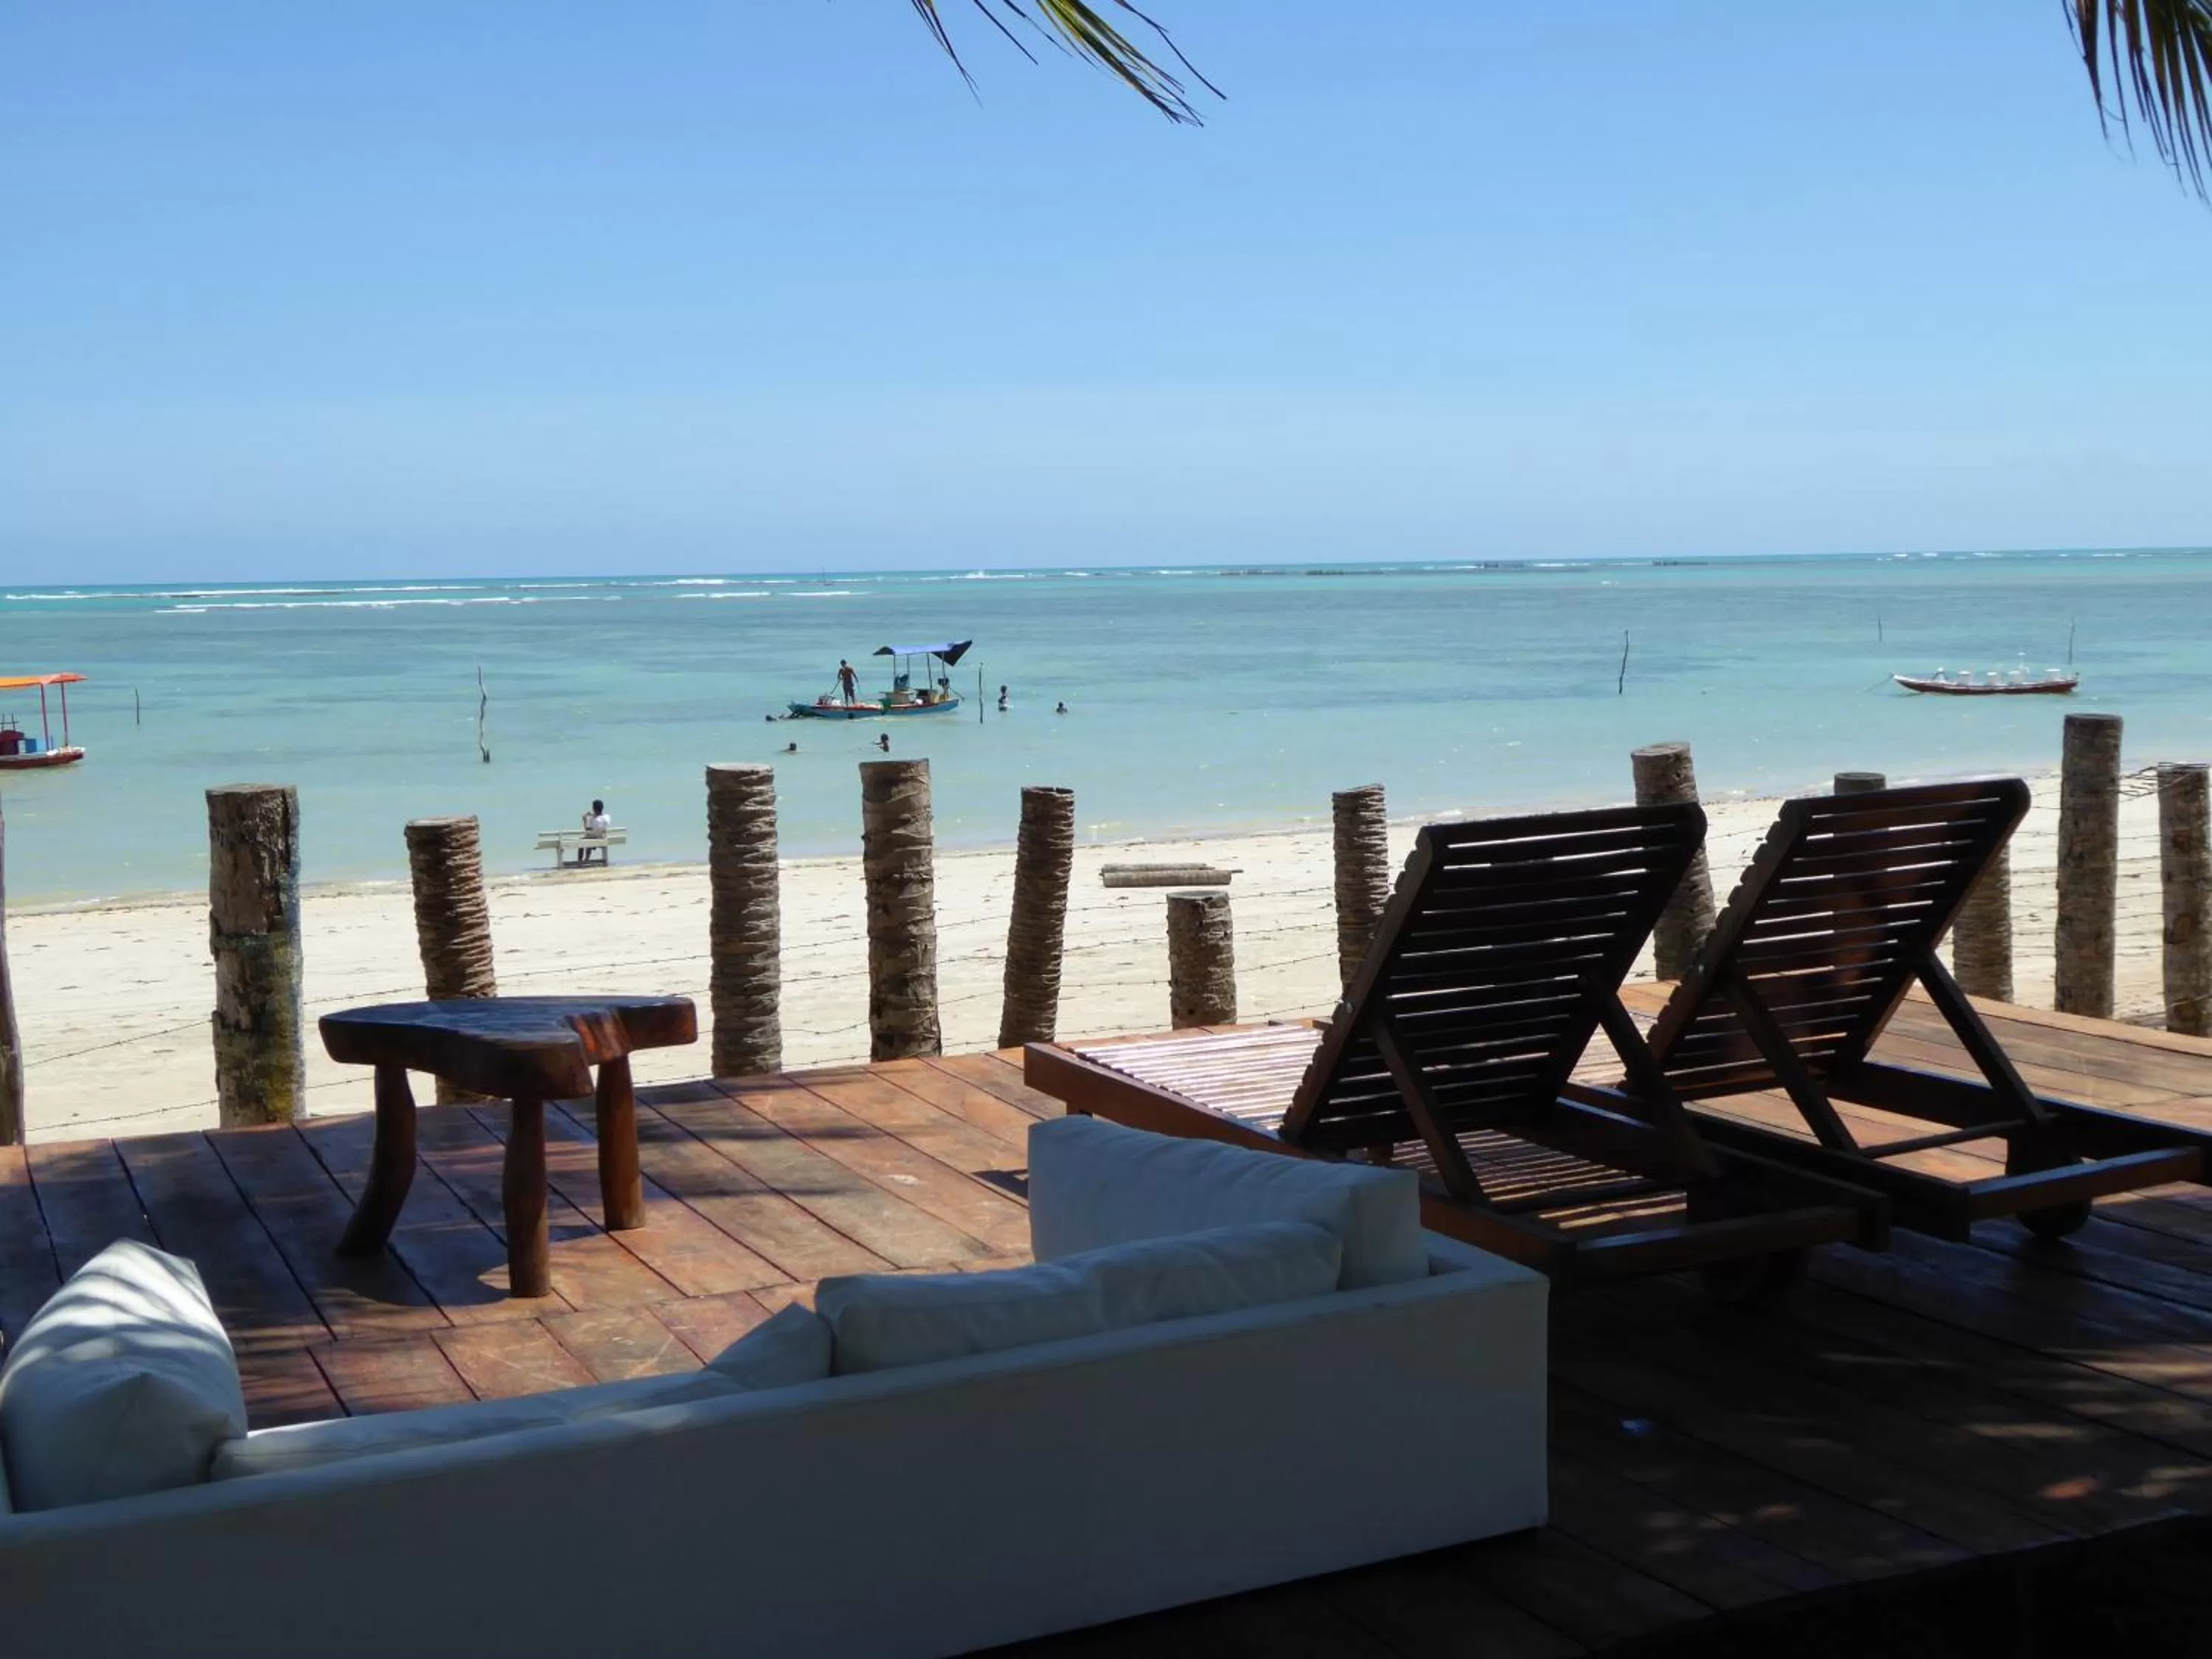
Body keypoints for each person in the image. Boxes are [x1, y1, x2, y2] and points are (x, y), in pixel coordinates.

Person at [580, 799, 612, 866]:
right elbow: (601, 820)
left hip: (594, 839)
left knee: (582, 842)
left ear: (594, 809)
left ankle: (581, 861)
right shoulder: (607, 817)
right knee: (589, 840)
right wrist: (594, 816)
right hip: (603, 838)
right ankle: (587, 859)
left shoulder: (595, 820)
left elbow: (588, 830)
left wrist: (585, 820)